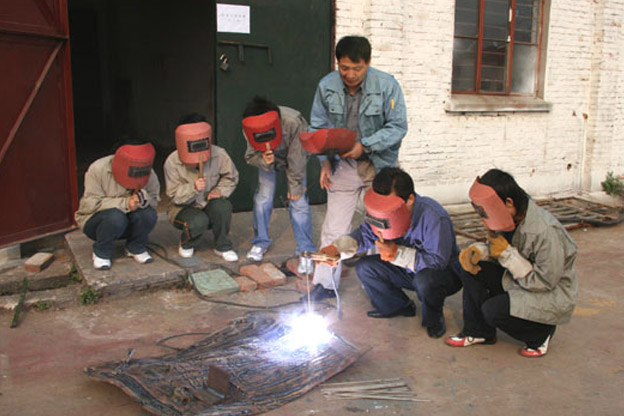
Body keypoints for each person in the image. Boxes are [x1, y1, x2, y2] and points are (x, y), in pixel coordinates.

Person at [307, 35, 408, 301]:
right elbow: (317, 127)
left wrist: (366, 146)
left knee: (381, 227)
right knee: (334, 226)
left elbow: (398, 127)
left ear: (368, 63)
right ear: (337, 63)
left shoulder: (387, 85)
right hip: (343, 165)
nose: (350, 75)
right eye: (344, 68)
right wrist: (324, 161)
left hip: (380, 166)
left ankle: (378, 285)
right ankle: (325, 283)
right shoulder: (326, 86)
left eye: (357, 68)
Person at [317, 167, 462, 338]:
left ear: (410, 199)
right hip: (406, 270)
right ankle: (398, 306)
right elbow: (366, 234)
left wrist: (398, 253)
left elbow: (438, 261)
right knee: (365, 267)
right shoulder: (380, 211)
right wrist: (337, 249)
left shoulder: (434, 217)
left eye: (389, 208)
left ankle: (434, 318)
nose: (383, 213)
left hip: (443, 274)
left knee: (425, 280)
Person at [446, 169, 578, 357]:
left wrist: (507, 255)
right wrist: (480, 252)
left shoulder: (545, 231)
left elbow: (545, 281)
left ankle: (540, 334)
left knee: (493, 311)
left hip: (549, 292)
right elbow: (501, 249)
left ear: (508, 202)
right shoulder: (512, 216)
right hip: (520, 277)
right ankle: (478, 331)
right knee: (471, 268)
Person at [241, 97, 317, 273]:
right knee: (263, 198)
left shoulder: (293, 122)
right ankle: (261, 241)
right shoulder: (249, 126)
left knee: (299, 202)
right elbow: (250, 156)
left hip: (295, 158)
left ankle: (305, 250)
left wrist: (295, 185)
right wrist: (263, 160)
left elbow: (297, 157)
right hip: (268, 160)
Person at [164, 113, 239, 261]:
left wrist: (219, 190)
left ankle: (222, 246)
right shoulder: (172, 161)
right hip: (182, 207)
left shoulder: (219, 154)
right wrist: (193, 188)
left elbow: (231, 177)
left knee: (223, 206)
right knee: (198, 220)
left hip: (207, 202)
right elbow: (174, 196)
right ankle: (187, 243)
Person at [75, 139, 160, 270]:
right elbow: (89, 204)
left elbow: (154, 199)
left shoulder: (145, 169)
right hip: (98, 223)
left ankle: (135, 247)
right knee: (115, 217)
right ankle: (102, 252)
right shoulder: (98, 168)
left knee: (148, 214)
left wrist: (143, 200)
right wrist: (125, 203)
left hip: (128, 223)